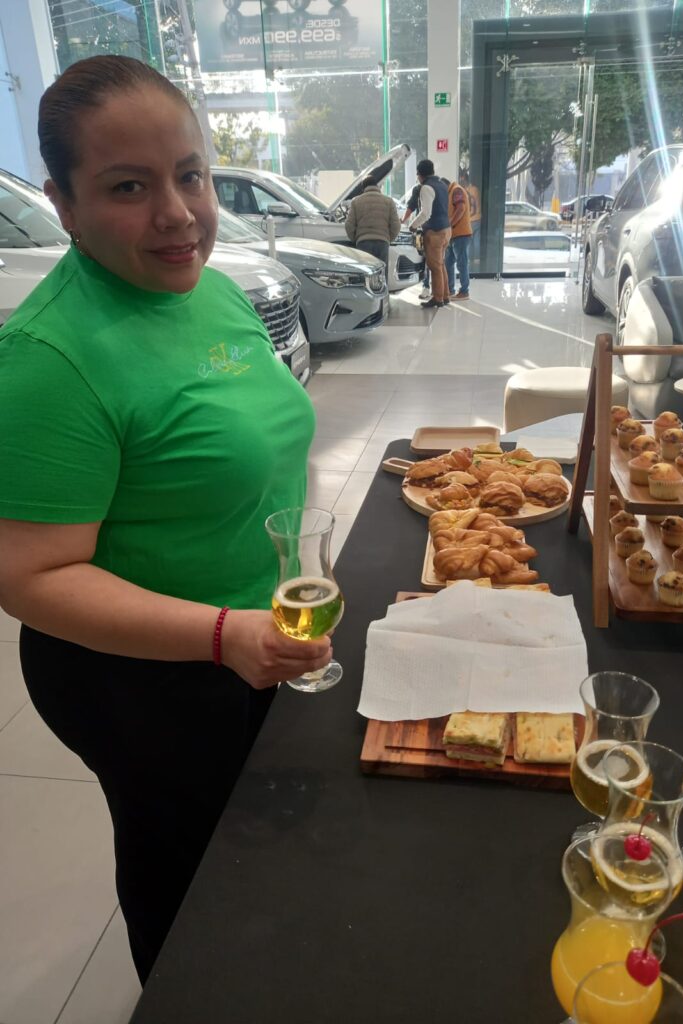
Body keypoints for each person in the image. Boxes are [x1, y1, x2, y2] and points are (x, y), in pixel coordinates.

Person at [0, 55, 331, 985]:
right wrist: (224, 635)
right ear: (64, 205)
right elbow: (28, 577)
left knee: (259, 853)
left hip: (257, 633)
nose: (179, 214)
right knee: (187, 884)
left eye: (191, 174)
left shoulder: (209, 288)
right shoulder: (48, 357)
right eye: (128, 187)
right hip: (139, 676)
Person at [409, 159, 451, 309]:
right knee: (441, 264)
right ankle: (445, 295)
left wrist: (412, 225)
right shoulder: (442, 184)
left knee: (434, 266)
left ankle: (438, 299)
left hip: (435, 232)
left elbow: (426, 213)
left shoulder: (426, 188)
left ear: (420, 174)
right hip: (446, 230)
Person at [344, 174, 400, 269]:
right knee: (381, 274)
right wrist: (387, 238)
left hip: (363, 243)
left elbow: (349, 225)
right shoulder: (389, 201)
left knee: (366, 273)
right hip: (382, 243)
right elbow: (396, 226)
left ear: (363, 188)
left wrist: (356, 239)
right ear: (377, 186)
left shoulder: (356, 201)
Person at [445, 177, 472, 301]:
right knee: (448, 263)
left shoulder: (456, 190)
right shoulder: (452, 192)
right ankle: (450, 290)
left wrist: (449, 224)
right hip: (454, 235)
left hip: (461, 234)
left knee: (462, 264)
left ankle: (464, 291)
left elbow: (461, 209)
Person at [402, 183, 430, 300]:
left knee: (425, 258)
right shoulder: (437, 187)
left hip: (423, 230)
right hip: (434, 229)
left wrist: (404, 221)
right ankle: (433, 287)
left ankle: (427, 286)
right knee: (433, 260)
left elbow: (411, 207)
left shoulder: (419, 189)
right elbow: (411, 206)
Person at [460, 170, 481, 260]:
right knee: (477, 240)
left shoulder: (464, 191)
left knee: (468, 242)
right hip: (478, 218)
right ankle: (477, 259)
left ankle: (468, 259)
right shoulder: (476, 189)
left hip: (469, 220)